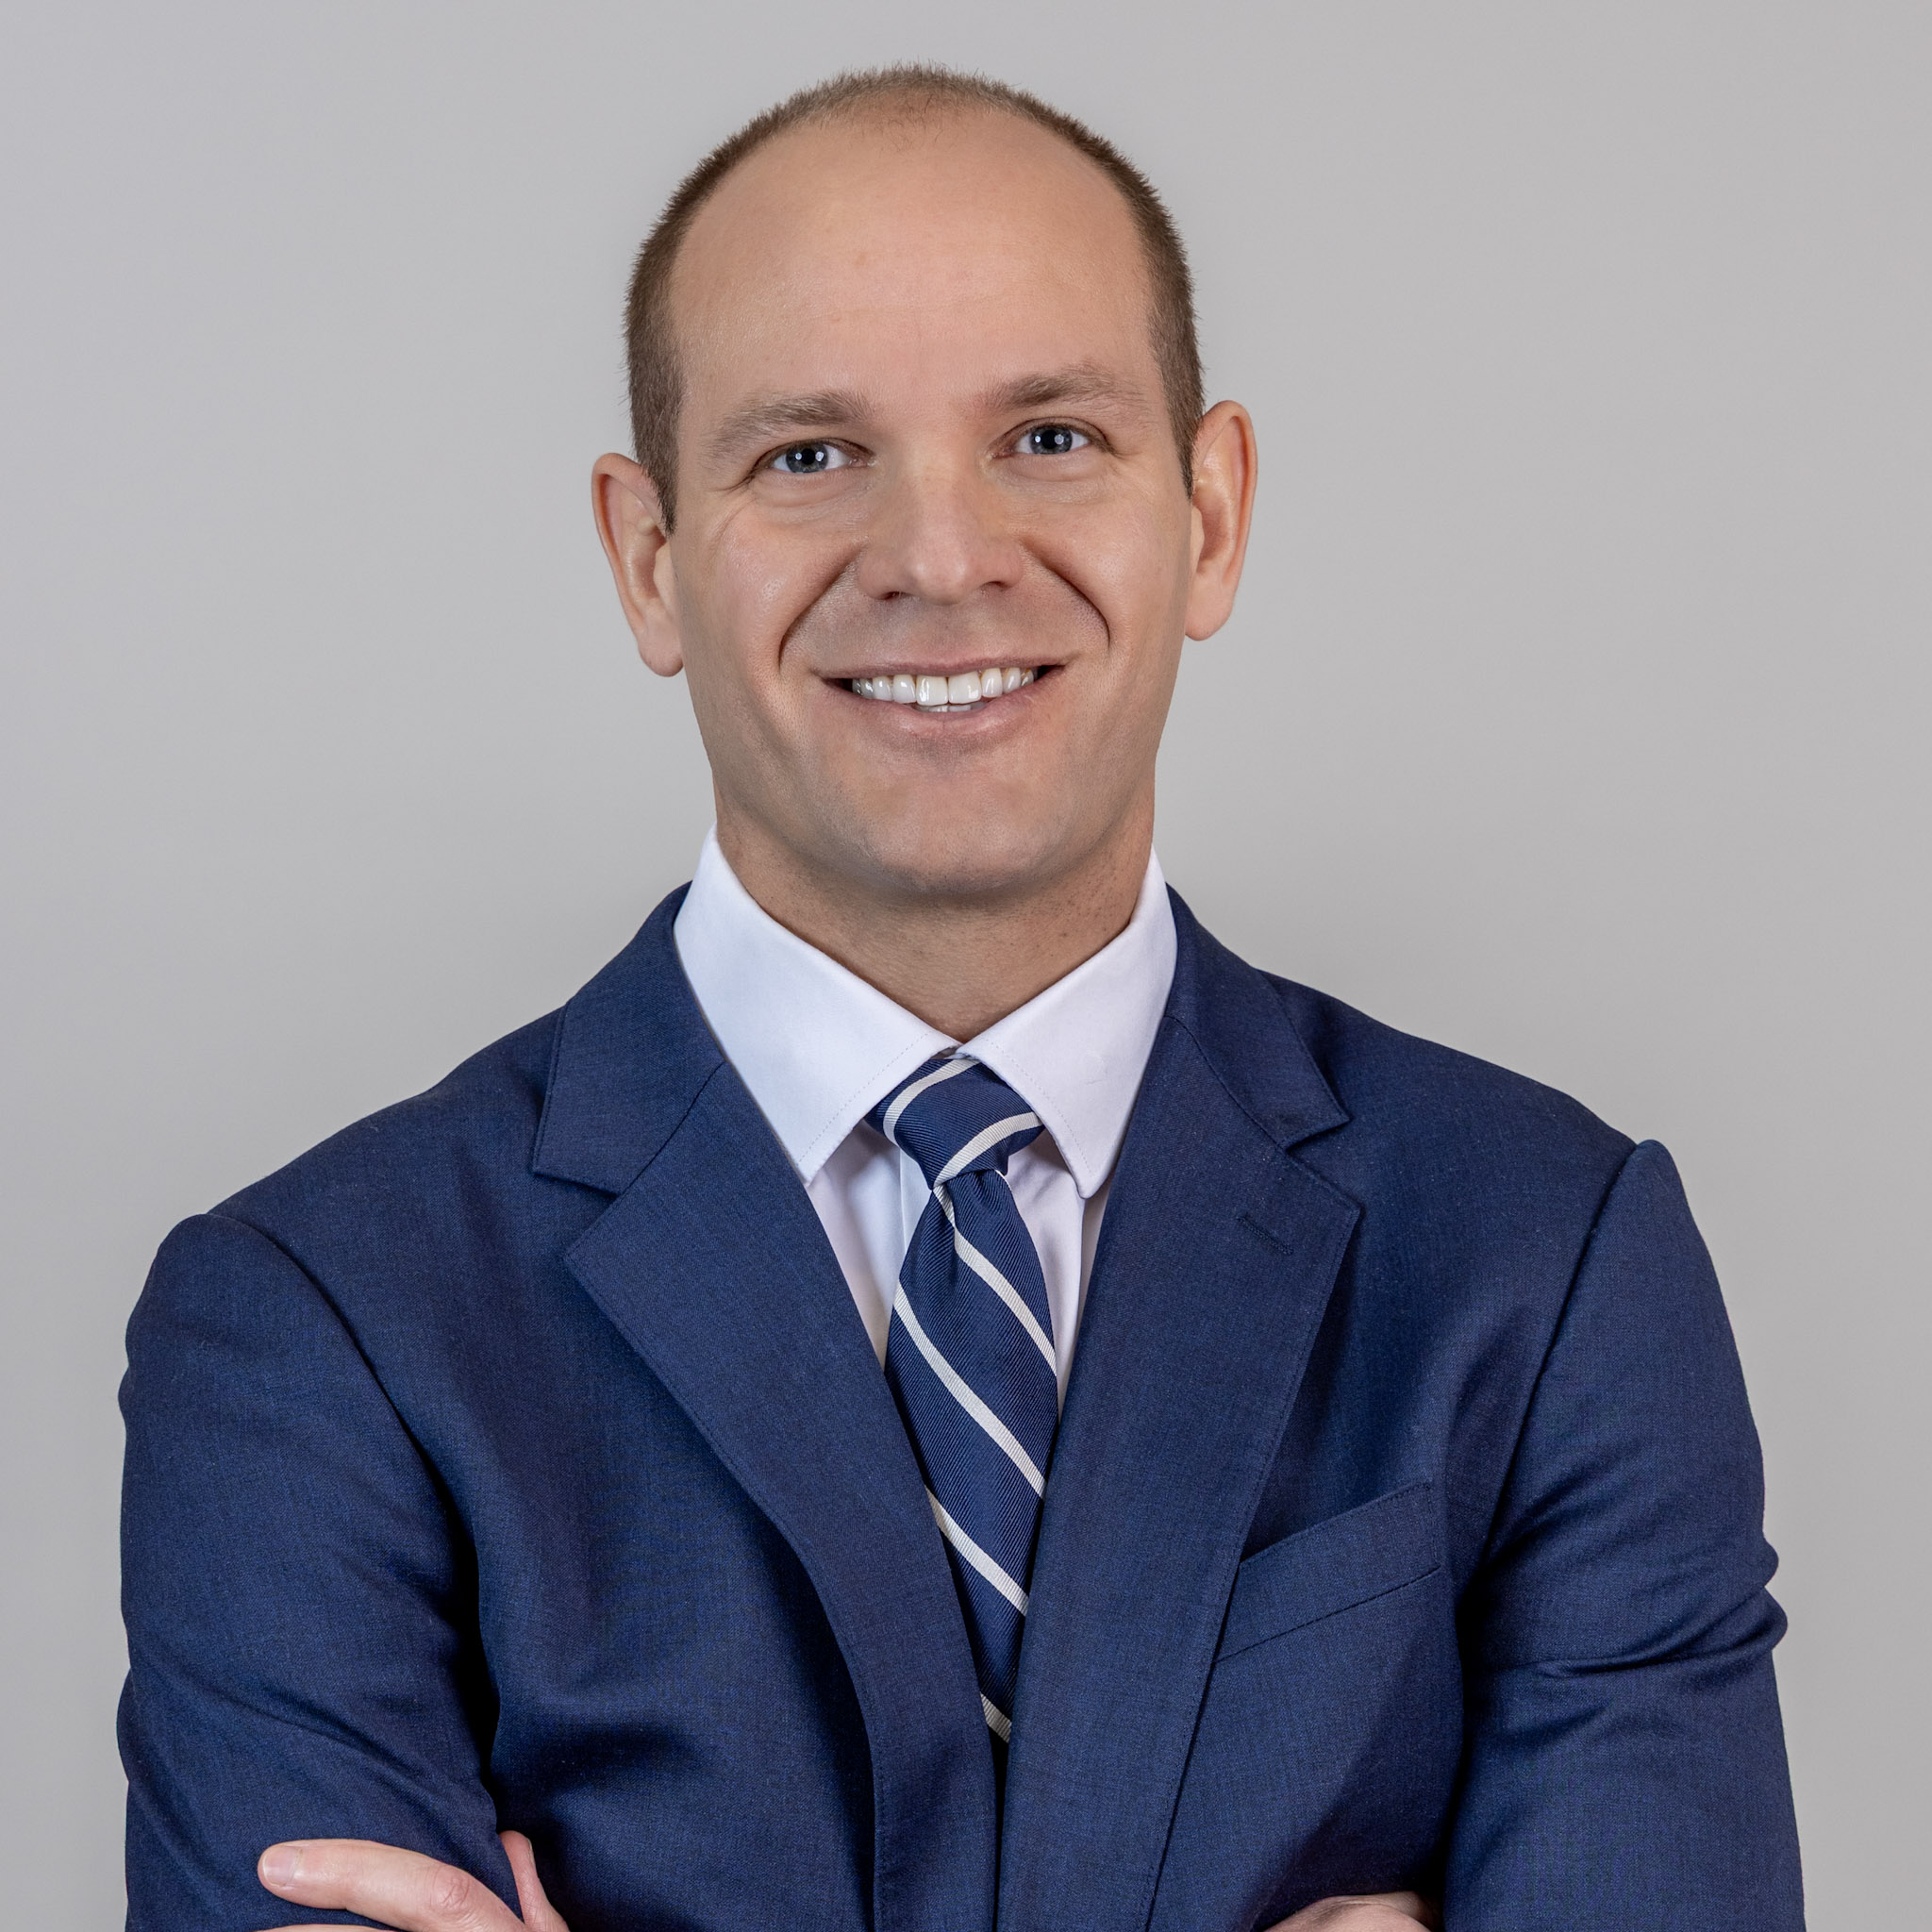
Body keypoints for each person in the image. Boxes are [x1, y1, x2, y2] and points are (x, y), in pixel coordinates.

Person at [118, 66, 1804, 1932]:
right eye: (807, 456)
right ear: (649, 558)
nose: (939, 556)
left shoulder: (1547, 1259)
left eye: (1051, 436)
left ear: (1212, 513)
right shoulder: (318, 1320)